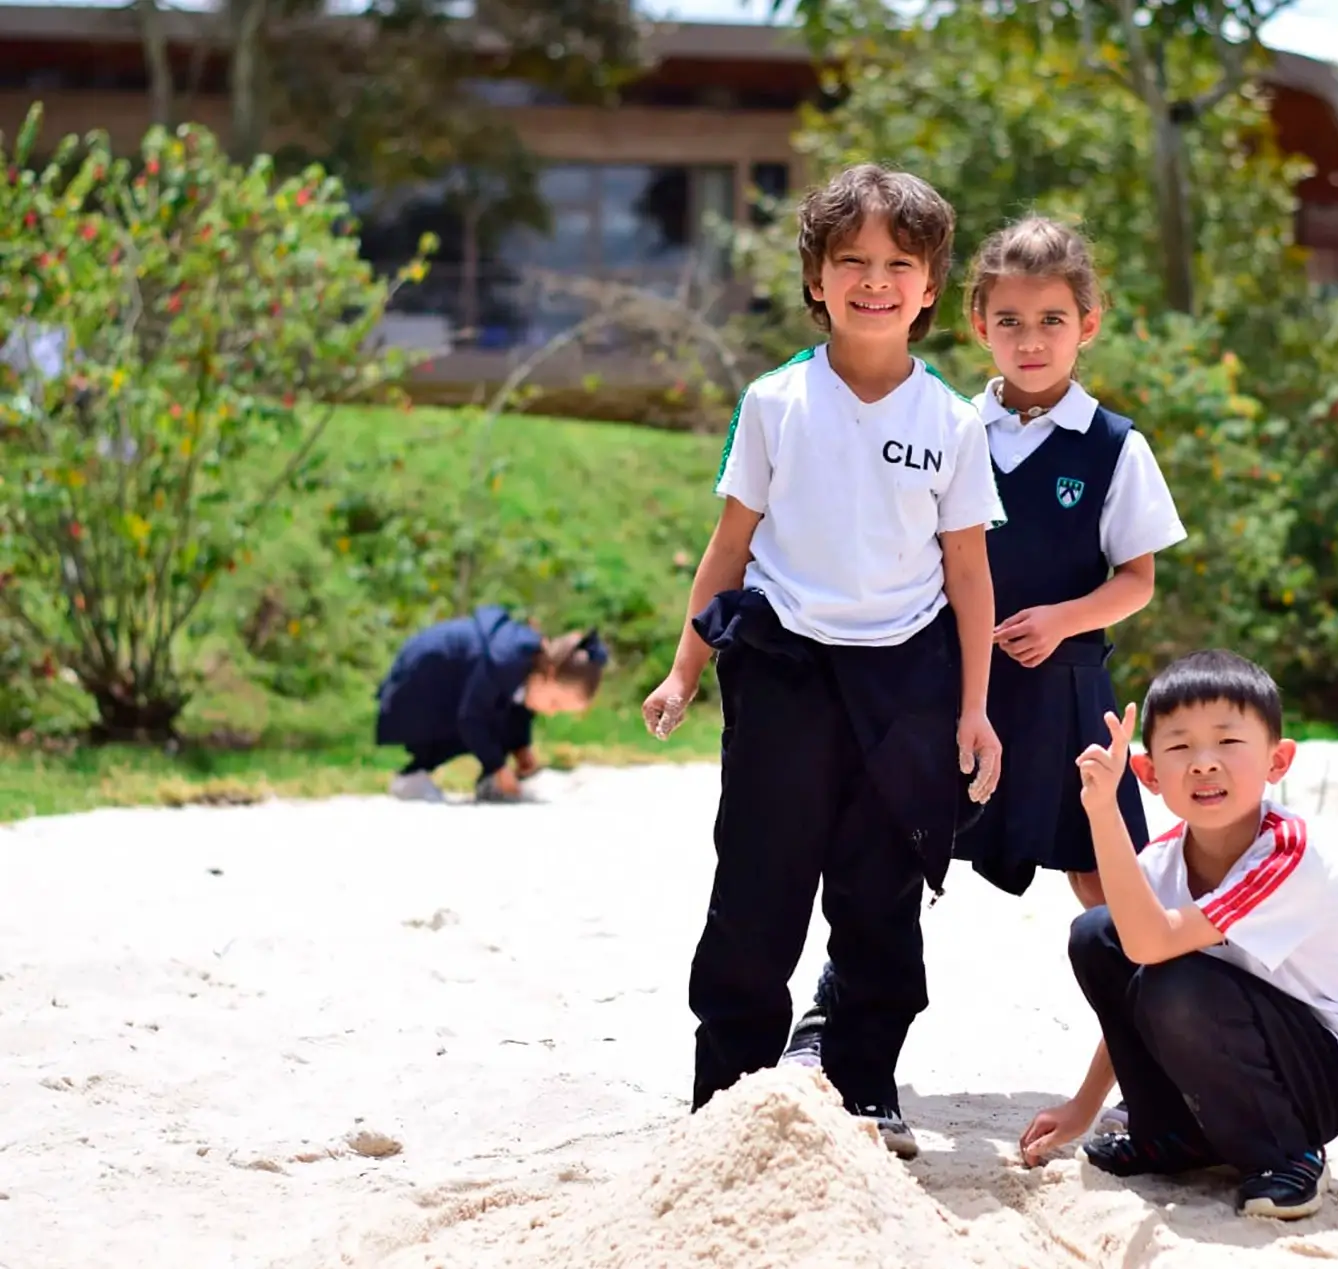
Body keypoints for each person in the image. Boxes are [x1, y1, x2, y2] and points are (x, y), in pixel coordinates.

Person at [779, 216, 1187, 1135]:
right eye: (1009, 320)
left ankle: (1154, 1060)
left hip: (1069, 702)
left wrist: (1064, 618)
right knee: (887, 862)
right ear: (975, 322)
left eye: (1051, 319)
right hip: (949, 695)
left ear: (1088, 323)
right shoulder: (948, 423)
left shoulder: (1117, 447)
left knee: (1108, 883)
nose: (1030, 339)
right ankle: (828, 1029)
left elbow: (1139, 580)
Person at [640, 163, 1005, 1158]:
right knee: (760, 879)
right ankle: (731, 1086)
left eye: (900, 263)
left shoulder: (955, 424)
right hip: (786, 669)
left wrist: (975, 711)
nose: (875, 281)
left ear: (932, 287)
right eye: (853, 262)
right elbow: (729, 544)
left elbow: (970, 575)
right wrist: (684, 667)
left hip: (908, 682)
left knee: (880, 886)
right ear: (816, 278)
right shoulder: (774, 404)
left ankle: (865, 1078)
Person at [1018, 650, 1338, 1222]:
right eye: (1179, 747)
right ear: (1148, 774)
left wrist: (1104, 813)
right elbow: (1131, 970)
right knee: (1097, 935)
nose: (1203, 764)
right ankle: (1168, 1134)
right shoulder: (1164, 860)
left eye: (1228, 742)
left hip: (1327, 1072)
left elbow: (1154, 953)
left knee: (1168, 975)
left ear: (1278, 760)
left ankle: (1286, 1152)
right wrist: (1083, 1104)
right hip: (1229, 1037)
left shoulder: (1284, 854)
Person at [374, 605, 606, 803]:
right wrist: (498, 768)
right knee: (481, 724)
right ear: (549, 674)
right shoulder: (504, 661)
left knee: (498, 719)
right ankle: (411, 778)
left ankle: (490, 782)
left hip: (440, 692)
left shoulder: (528, 664)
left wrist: (521, 750)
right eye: (555, 703)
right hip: (415, 693)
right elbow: (471, 718)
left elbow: (517, 713)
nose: (552, 712)